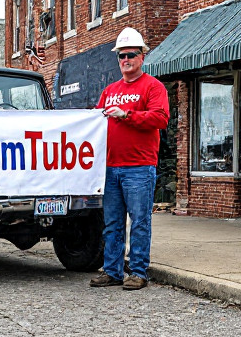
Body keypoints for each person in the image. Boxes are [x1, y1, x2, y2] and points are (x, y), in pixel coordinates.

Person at [90, 27, 169, 290]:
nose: (126, 60)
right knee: (112, 223)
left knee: (139, 221)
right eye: (121, 56)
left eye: (131, 55)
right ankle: (112, 271)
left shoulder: (153, 87)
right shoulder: (110, 89)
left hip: (139, 167)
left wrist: (127, 115)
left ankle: (138, 271)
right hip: (111, 168)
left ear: (142, 56)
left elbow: (160, 118)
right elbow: (95, 122)